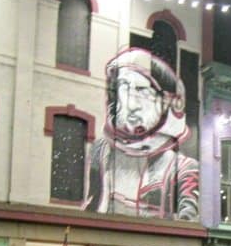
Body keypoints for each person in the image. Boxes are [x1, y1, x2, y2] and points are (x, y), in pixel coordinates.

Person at [84, 47, 199, 220]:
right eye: (124, 87)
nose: (130, 103)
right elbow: (90, 207)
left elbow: (187, 222)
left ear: (168, 102)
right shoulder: (101, 151)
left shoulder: (183, 169)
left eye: (141, 90)